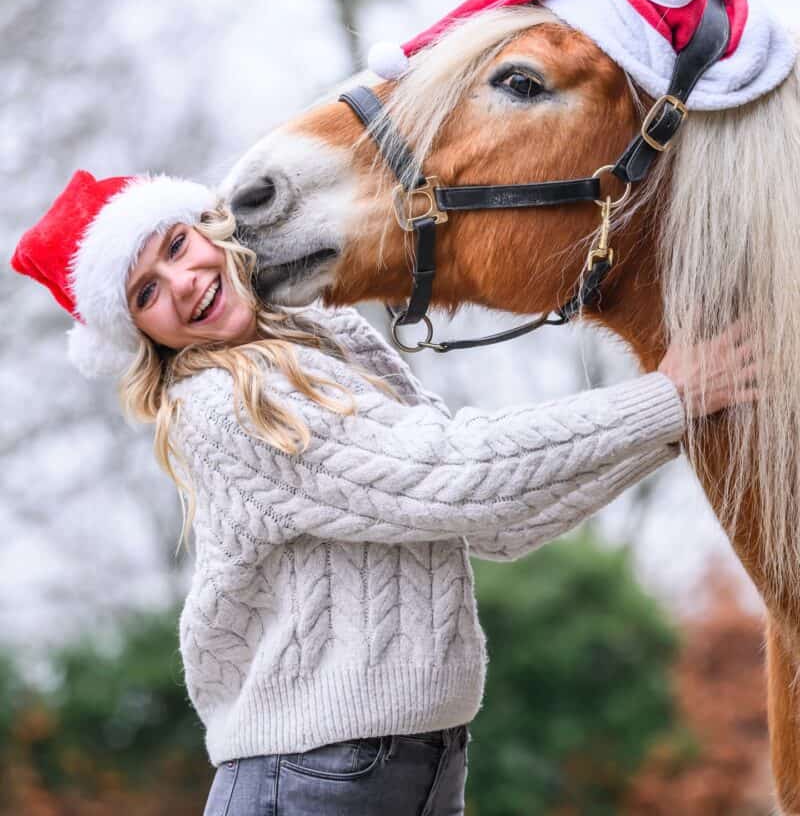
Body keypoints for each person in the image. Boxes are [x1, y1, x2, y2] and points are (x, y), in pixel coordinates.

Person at [12, 170, 759, 816]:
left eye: (175, 245)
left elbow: (496, 524)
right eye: (146, 291)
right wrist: (668, 400)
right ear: (141, 331)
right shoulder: (222, 407)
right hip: (311, 777)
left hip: (415, 760)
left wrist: (678, 420)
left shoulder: (329, 339)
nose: (183, 281)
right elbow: (453, 476)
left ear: (207, 226)